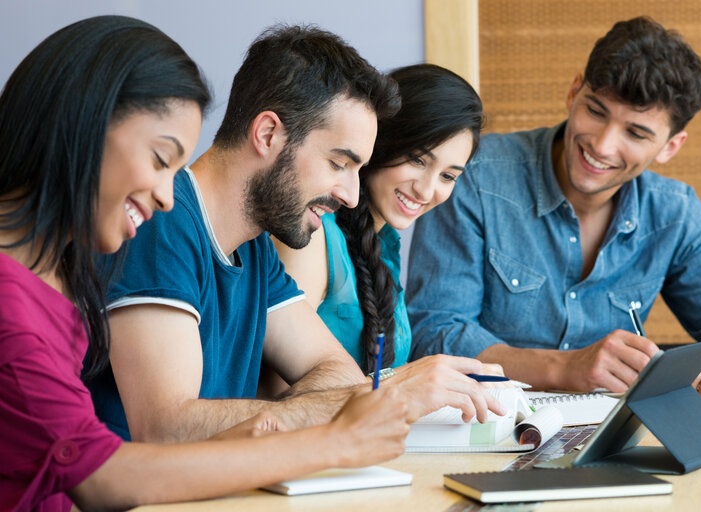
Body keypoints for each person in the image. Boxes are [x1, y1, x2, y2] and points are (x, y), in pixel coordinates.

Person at [0, 16, 411, 512]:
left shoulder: (58, 284)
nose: (166, 195)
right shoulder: (22, 300)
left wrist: (281, 424)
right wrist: (333, 435)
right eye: (160, 159)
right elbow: (110, 468)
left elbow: (336, 375)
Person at [89, 24, 504, 443]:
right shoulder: (162, 220)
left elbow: (337, 373)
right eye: (339, 163)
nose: (351, 194)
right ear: (268, 134)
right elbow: (166, 427)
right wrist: (392, 391)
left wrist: (351, 397)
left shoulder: (255, 248)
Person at [407, 16, 701, 403]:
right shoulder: (474, 176)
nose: (602, 145)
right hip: (484, 425)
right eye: (596, 111)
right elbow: (434, 333)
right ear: (574, 92)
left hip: (613, 436)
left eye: (635, 133)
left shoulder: (676, 214)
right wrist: (567, 367)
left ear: (670, 147)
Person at [273, 63, 482, 374]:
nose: (427, 190)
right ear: (380, 141)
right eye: (417, 159)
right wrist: (411, 383)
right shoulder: (312, 234)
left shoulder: (386, 246)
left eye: (448, 176)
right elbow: (277, 395)